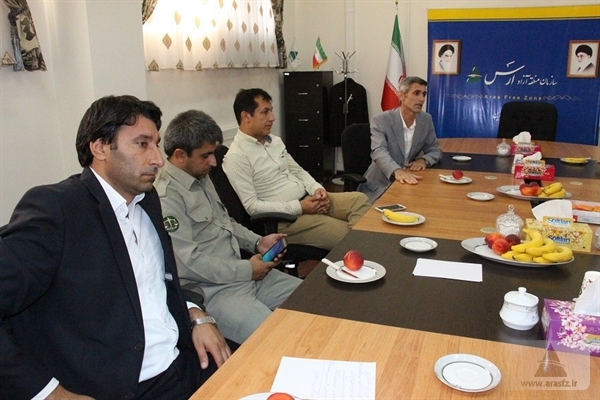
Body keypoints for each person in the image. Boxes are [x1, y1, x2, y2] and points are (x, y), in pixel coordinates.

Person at [0, 95, 231, 400]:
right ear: (100, 148)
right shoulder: (57, 209)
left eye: (156, 144)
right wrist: (49, 393)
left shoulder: (146, 199)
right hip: (121, 386)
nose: (158, 159)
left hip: (182, 361)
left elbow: (152, 285)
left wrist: (195, 313)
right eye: (142, 144)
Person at [155, 109, 302, 344]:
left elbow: (226, 223)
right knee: (277, 339)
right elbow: (188, 263)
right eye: (206, 156)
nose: (213, 162)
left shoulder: (200, 176)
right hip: (215, 290)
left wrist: (257, 242)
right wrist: (246, 270)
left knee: (313, 300)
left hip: (244, 275)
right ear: (180, 155)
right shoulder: (167, 197)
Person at [222, 88, 371, 251]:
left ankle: (359, 251)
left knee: (359, 200)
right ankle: (360, 252)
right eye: (265, 112)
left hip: (308, 199)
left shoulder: (275, 141)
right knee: (349, 235)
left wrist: (317, 189)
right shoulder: (236, 157)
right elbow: (253, 207)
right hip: (286, 220)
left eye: (271, 111)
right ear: (246, 116)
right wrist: (300, 207)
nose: (272, 118)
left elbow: (298, 171)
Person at [359, 76, 442, 203]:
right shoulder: (381, 120)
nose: (421, 99)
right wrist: (397, 170)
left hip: (409, 182)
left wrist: (424, 160)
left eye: (424, 94)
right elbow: (378, 151)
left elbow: (435, 150)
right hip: (380, 184)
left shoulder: (426, 119)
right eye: (416, 93)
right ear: (401, 95)